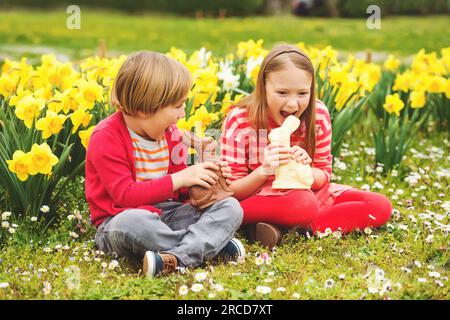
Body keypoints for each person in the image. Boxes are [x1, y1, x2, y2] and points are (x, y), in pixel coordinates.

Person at [85, 51, 244, 277]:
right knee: (137, 223)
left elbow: (182, 196)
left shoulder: (170, 134)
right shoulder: (106, 137)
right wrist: (181, 178)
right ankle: (209, 248)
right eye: (177, 106)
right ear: (144, 109)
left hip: (168, 215)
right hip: (119, 221)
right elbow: (124, 195)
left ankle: (176, 259)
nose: (182, 114)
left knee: (231, 208)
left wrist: (207, 176)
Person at [220, 44, 392, 248]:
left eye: (302, 93)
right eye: (282, 93)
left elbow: (324, 174)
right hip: (259, 197)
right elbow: (232, 190)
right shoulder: (241, 120)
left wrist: (304, 170)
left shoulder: (318, 115)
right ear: (263, 86)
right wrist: (265, 170)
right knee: (303, 203)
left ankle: (284, 231)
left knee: (380, 206)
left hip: (309, 194)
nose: (293, 105)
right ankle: (260, 222)